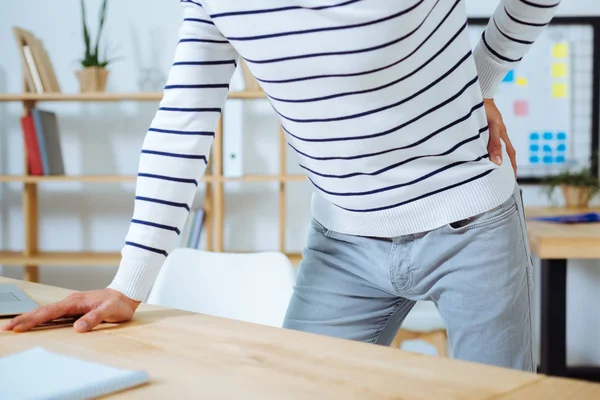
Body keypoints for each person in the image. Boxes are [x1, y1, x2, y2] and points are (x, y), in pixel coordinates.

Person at [3, 0, 561, 371]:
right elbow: (183, 120)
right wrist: (129, 285)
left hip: (472, 222)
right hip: (344, 242)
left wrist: (478, 81)